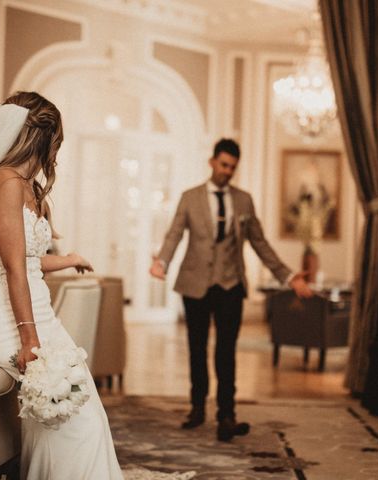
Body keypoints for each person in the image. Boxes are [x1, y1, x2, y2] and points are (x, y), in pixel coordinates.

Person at [0, 92, 124, 479]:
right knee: (79, 422)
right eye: (55, 142)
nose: (55, 153)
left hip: (34, 319)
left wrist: (69, 258)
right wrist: (30, 340)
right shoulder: (6, 183)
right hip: (11, 325)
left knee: (68, 420)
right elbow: (12, 268)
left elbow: (22, 259)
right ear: (43, 138)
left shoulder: (13, 183)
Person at [149, 138, 313, 442]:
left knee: (226, 352)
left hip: (230, 285)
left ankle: (227, 415)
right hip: (195, 283)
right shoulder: (190, 198)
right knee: (197, 349)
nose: (227, 172)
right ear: (212, 162)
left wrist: (289, 277)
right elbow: (174, 234)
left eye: (233, 168)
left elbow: (260, 243)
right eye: (224, 165)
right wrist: (162, 262)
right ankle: (197, 407)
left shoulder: (244, 200)